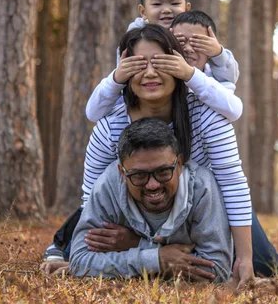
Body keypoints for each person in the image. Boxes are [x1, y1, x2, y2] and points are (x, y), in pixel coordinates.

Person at [45, 25, 278, 286]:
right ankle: (60, 245)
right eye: (138, 64)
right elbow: (93, 197)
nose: (150, 73)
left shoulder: (207, 115)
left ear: (178, 65)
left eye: (161, 62)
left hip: (201, 211)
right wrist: (138, 246)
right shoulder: (110, 125)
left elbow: (232, 184)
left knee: (261, 263)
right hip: (137, 213)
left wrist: (245, 258)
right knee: (86, 250)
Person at [68, 117, 233, 282]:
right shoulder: (107, 186)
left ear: (179, 164)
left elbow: (217, 270)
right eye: (139, 175)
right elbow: (79, 262)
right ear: (122, 173)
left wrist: (137, 245)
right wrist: (155, 259)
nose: (152, 185)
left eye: (163, 171)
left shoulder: (202, 187)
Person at [86, 0, 242, 123]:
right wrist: (117, 79)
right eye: (157, 3)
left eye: (174, 3)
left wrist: (218, 53)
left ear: (187, 8)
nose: (166, 10)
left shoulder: (197, 41)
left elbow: (229, 82)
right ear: (143, 11)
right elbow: (120, 90)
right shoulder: (133, 43)